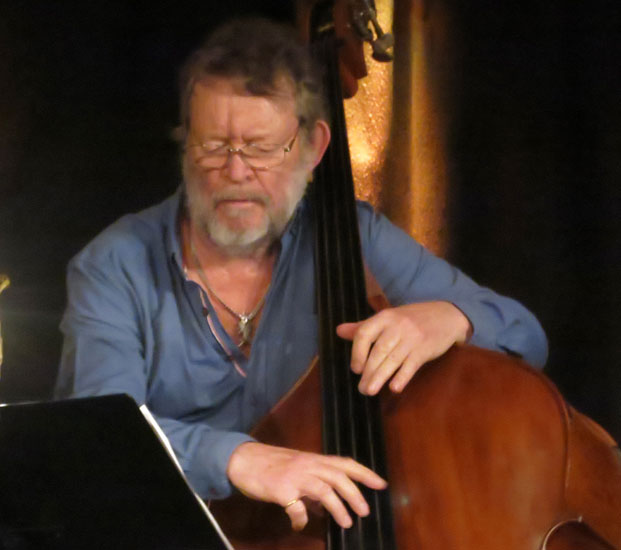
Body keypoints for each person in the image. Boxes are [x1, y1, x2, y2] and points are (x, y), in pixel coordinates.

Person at [55, 18, 548, 532]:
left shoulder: (357, 236)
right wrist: (237, 459)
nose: (237, 172)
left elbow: (524, 337)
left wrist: (451, 318)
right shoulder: (115, 264)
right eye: (213, 145)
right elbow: (100, 440)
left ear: (313, 148)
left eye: (262, 148)